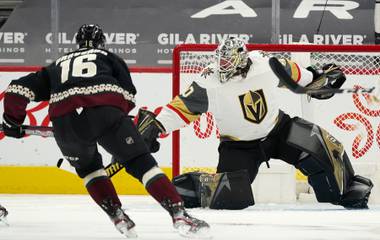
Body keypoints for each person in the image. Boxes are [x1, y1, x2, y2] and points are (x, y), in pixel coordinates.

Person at [1, 24, 209, 237]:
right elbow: (128, 96)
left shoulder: (56, 66)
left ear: (77, 42)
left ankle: (117, 216)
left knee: (90, 170)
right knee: (140, 162)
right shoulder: (109, 57)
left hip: (64, 123)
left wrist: (12, 122)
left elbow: (16, 89)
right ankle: (179, 214)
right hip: (106, 114)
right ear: (102, 42)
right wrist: (123, 129)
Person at [137, 37, 373, 209]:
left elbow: (302, 77)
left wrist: (321, 79)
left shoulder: (266, 64)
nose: (224, 69)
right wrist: (156, 126)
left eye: (229, 64)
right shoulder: (208, 82)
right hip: (239, 147)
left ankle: (348, 191)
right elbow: (181, 108)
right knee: (231, 197)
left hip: (278, 131)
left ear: (243, 59)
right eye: (222, 63)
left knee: (322, 145)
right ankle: (188, 186)